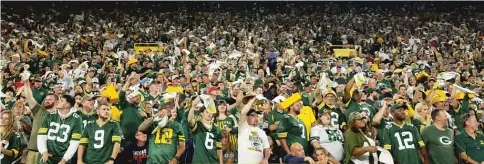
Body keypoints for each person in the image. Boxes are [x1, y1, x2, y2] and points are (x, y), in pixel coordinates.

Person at [37, 94, 82, 164]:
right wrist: (44, 151)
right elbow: (41, 136)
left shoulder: (77, 119)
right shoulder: (49, 116)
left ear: (67, 105)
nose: (57, 101)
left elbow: (74, 142)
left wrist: (64, 159)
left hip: (63, 157)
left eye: (61, 100)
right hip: (47, 155)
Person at [21, 79, 58, 164]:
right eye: (46, 99)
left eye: (50, 99)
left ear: (57, 102)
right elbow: (29, 97)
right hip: (32, 150)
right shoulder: (39, 110)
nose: (46, 101)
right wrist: (26, 83)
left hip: (48, 153)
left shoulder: (61, 116)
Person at [187, 97, 223, 163]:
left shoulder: (217, 129)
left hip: (213, 161)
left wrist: (221, 162)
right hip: (199, 161)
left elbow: (219, 149)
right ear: (201, 113)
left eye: (211, 112)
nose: (209, 114)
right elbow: (190, 120)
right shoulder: (198, 125)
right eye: (207, 112)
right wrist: (192, 108)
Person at [238, 97, 270, 164]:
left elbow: (267, 148)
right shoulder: (243, 127)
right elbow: (243, 112)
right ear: (247, 118)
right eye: (252, 116)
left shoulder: (262, 132)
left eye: (256, 116)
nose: (255, 118)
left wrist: (266, 158)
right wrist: (254, 99)